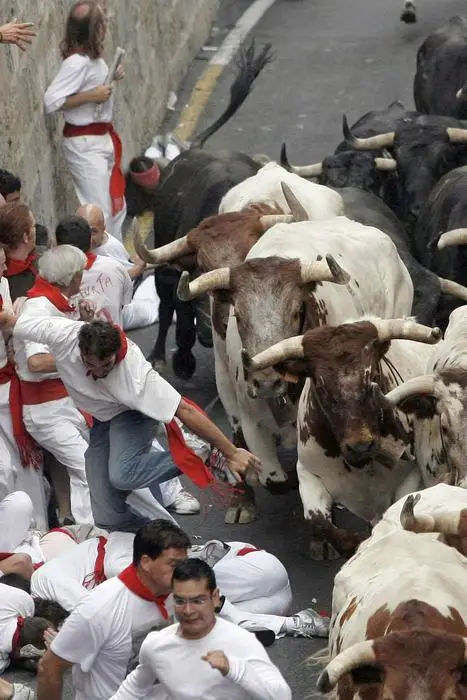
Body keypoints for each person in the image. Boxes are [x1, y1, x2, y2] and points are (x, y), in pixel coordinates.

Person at [0, 309, 260, 532]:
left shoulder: (135, 374)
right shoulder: (62, 333)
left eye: (108, 365)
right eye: (94, 365)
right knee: (105, 513)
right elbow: (9, 319)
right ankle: (148, 539)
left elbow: (186, 410)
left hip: (131, 414)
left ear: (116, 353)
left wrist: (230, 451)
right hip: (102, 419)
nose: (100, 372)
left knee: (123, 475)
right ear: (82, 349)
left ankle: (199, 452)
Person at [36, 520, 190, 700]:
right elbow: (49, 667)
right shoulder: (99, 608)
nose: (183, 571)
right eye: (173, 564)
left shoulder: (178, 592)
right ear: (146, 562)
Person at [108, 558, 292, 700]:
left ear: (215, 598)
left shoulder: (240, 643)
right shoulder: (155, 644)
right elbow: (133, 688)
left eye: (198, 601)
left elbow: (281, 696)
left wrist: (235, 669)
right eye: (180, 601)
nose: (188, 611)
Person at [13, 245, 94, 525]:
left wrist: (86, 321)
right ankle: (92, 534)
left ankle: (81, 522)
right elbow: (37, 362)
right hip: (47, 411)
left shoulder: (62, 302)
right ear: (73, 277)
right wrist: (85, 358)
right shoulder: (39, 307)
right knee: (88, 468)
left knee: (91, 463)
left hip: (69, 404)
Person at [44, 1, 126, 240]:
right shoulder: (76, 62)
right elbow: (52, 101)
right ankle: (106, 265)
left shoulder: (92, 60)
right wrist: (92, 96)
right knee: (101, 213)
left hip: (101, 139)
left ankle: (119, 263)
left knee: (116, 208)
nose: (106, 27)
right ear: (95, 29)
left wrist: (113, 77)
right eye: (103, 23)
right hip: (86, 143)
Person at [76, 204, 161, 332]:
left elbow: (128, 282)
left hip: (115, 309)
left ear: (103, 229)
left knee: (152, 311)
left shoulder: (110, 249)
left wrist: (138, 268)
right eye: (83, 230)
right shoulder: (70, 241)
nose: (87, 238)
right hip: (81, 309)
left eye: (93, 231)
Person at [55, 215, 132, 327]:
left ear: (58, 246)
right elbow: (124, 303)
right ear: (90, 240)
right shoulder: (116, 267)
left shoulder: (52, 280)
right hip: (116, 341)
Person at [0, 203, 37, 301]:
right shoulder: (5, 278)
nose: (36, 230)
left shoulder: (39, 258)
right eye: (33, 226)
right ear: (25, 237)